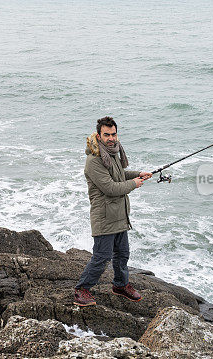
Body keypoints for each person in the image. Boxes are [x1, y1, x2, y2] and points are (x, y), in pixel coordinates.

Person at [73, 116, 152, 307]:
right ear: (98, 136)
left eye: (114, 134)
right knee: (102, 257)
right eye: (106, 134)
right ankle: (81, 289)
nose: (111, 138)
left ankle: (120, 285)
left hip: (119, 214)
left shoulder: (113, 153)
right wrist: (134, 184)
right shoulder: (93, 160)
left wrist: (137, 174)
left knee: (122, 254)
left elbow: (119, 175)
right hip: (104, 217)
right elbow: (110, 187)